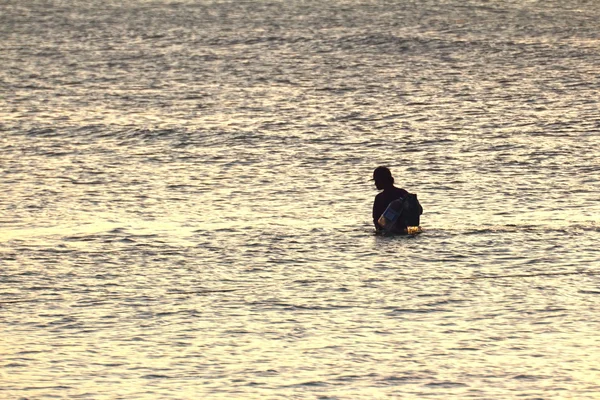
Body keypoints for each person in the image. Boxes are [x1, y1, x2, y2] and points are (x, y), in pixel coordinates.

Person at [372, 166, 409, 233]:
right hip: (403, 231)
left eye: (377, 181)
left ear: (384, 180)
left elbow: (376, 220)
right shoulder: (403, 193)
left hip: (389, 232)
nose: (375, 183)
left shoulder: (379, 198)